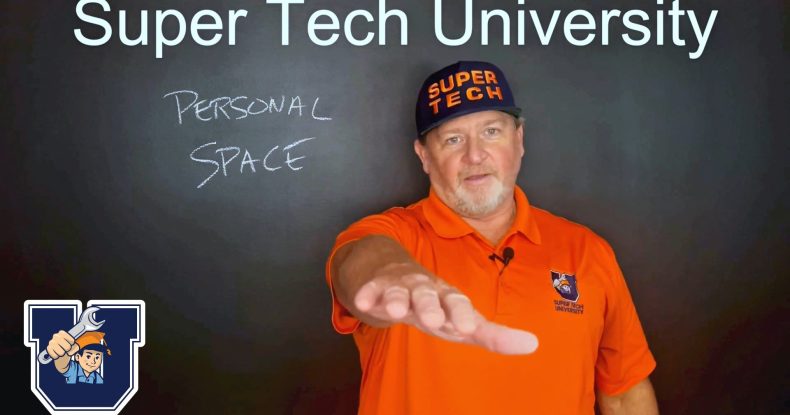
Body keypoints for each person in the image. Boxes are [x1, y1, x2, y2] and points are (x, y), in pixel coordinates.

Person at [325, 61, 658, 414]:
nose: (474, 155)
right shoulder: (396, 234)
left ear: (519, 139)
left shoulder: (587, 251)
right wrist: (391, 273)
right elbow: (355, 262)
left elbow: (623, 395)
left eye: (491, 132)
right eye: (453, 139)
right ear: (424, 156)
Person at [46, 330, 111, 384]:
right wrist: (63, 351)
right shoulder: (74, 369)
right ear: (77, 357)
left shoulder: (98, 379)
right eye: (88, 356)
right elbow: (62, 366)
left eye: (97, 357)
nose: (93, 362)